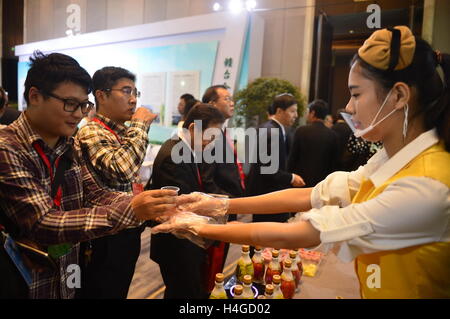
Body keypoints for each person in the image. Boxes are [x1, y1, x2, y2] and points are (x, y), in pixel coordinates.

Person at [154, 26, 450, 298]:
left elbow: (304, 233)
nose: (348, 107)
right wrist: (221, 205)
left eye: (356, 94)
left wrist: (201, 226)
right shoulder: (392, 159)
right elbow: (312, 194)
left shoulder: (426, 184)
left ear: (398, 95)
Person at [0, 51, 177, 299]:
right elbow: (45, 223)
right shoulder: (8, 148)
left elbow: (93, 192)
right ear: (35, 96)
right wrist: (134, 209)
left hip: (66, 271)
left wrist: (152, 203)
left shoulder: (67, 144)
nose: (79, 113)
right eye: (70, 104)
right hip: (27, 280)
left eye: (84, 105)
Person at [75, 66, 157, 298]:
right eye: (126, 91)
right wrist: (140, 126)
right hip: (105, 236)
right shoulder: (92, 131)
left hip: (125, 228)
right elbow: (121, 169)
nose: (133, 100)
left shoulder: (120, 132)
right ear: (101, 95)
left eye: (135, 93)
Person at [150, 104, 225, 299]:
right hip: (177, 245)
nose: (211, 142)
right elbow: (180, 206)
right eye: (209, 135)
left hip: (184, 241)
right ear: (193, 128)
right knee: (184, 293)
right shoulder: (173, 156)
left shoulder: (183, 147)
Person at [246, 93, 305, 223]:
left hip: (265, 191)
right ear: (279, 111)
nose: (296, 115)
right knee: (264, 235)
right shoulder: (272, 132)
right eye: (292, 111)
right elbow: (268, 169)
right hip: (268, 193)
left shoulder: (270, 128)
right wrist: (291, 178)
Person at [287, 99, 339, 187]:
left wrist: (290, 177)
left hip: (301, 181)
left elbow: (293, 158)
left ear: (313, 113)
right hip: (322, 184)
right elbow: (334, 164)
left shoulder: (301, 131)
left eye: (308, 112)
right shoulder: (333, 135)